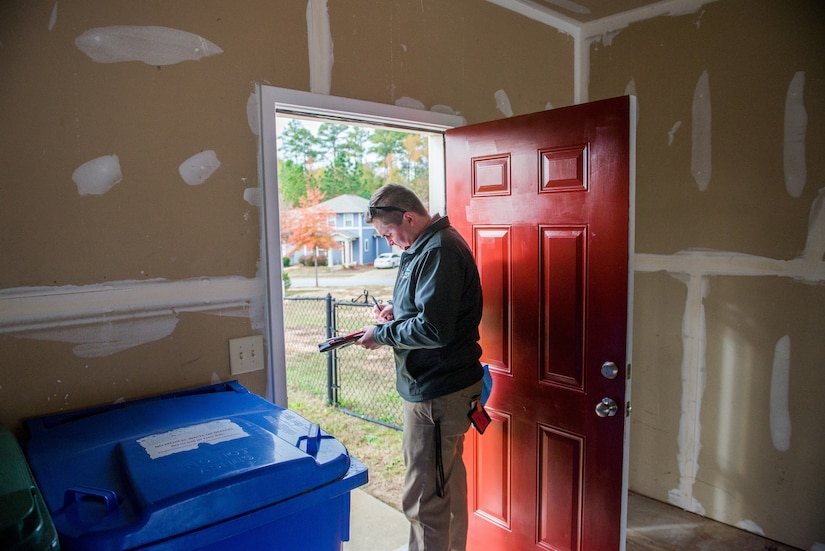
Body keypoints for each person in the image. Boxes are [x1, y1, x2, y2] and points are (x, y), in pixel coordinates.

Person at [357, 183, 484, 551]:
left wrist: (381, 335)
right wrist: (396, 314)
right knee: (446, 483)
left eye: (388, 234)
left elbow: (434, 328)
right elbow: (430, 311)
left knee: (424, 498)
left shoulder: (440, 250)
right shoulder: (423, 246)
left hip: (438, 393)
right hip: (444, 388)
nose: (389, 243)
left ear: (408, 217)